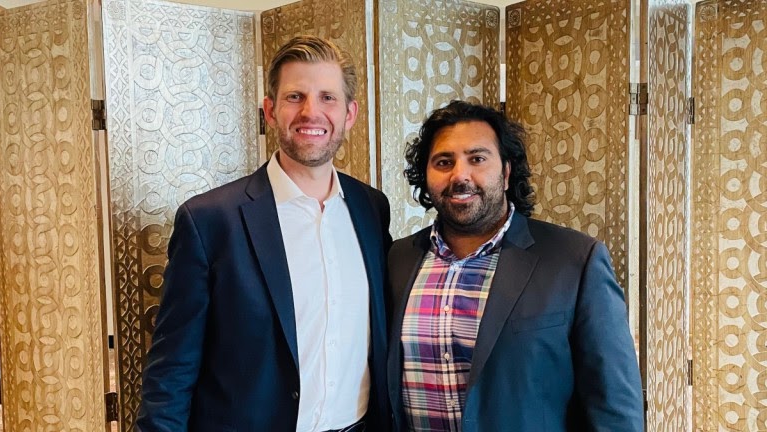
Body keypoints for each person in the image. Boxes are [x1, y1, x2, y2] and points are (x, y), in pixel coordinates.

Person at [137, 35, 392, 432]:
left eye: (328, 97)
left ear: (350, 114)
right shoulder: (209, 221)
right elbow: (171, 372)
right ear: (270, 111)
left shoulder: (371, 209)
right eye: (295, 97)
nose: (312, 112)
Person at [386, 100, 644, 431]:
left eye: (477, 159)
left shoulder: (576, 261)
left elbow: (616, 411)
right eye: (443, 162)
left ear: (506, 173)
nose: (460, 175)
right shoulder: (399, 259)